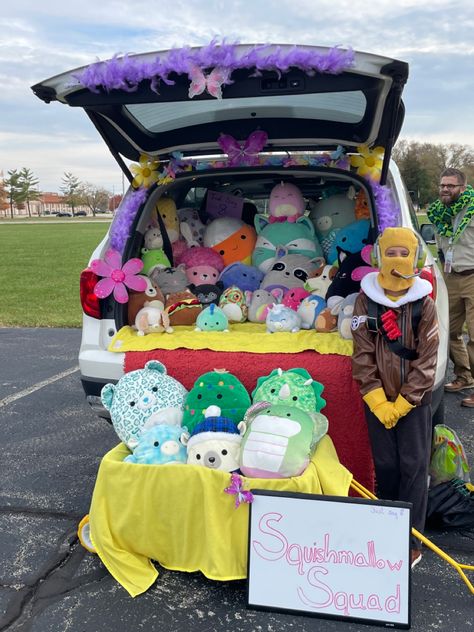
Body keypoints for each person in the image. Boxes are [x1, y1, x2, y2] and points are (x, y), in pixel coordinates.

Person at [351, 227, 439, 569]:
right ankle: (386, 528)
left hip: (413, 403)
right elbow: (361, 353)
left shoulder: (424, 304)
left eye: (405, 254)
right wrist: (377, 400)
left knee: (414, 466)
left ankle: (411, 539)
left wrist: (405, 402)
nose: (397, 260)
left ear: (414, 258)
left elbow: (427, 358)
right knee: (386, 464)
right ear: (379, 256)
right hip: (377, 400)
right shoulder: (365, 299)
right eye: (391, 253)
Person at [427, 168, 474, 407]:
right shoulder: (437, 213)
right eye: (442, 185)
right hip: (451, 277)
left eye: (451, 186)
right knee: (450, 331)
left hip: (473, 276)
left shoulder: (472, 210)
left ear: (463, 188)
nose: (445, 189)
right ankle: (464, 377)